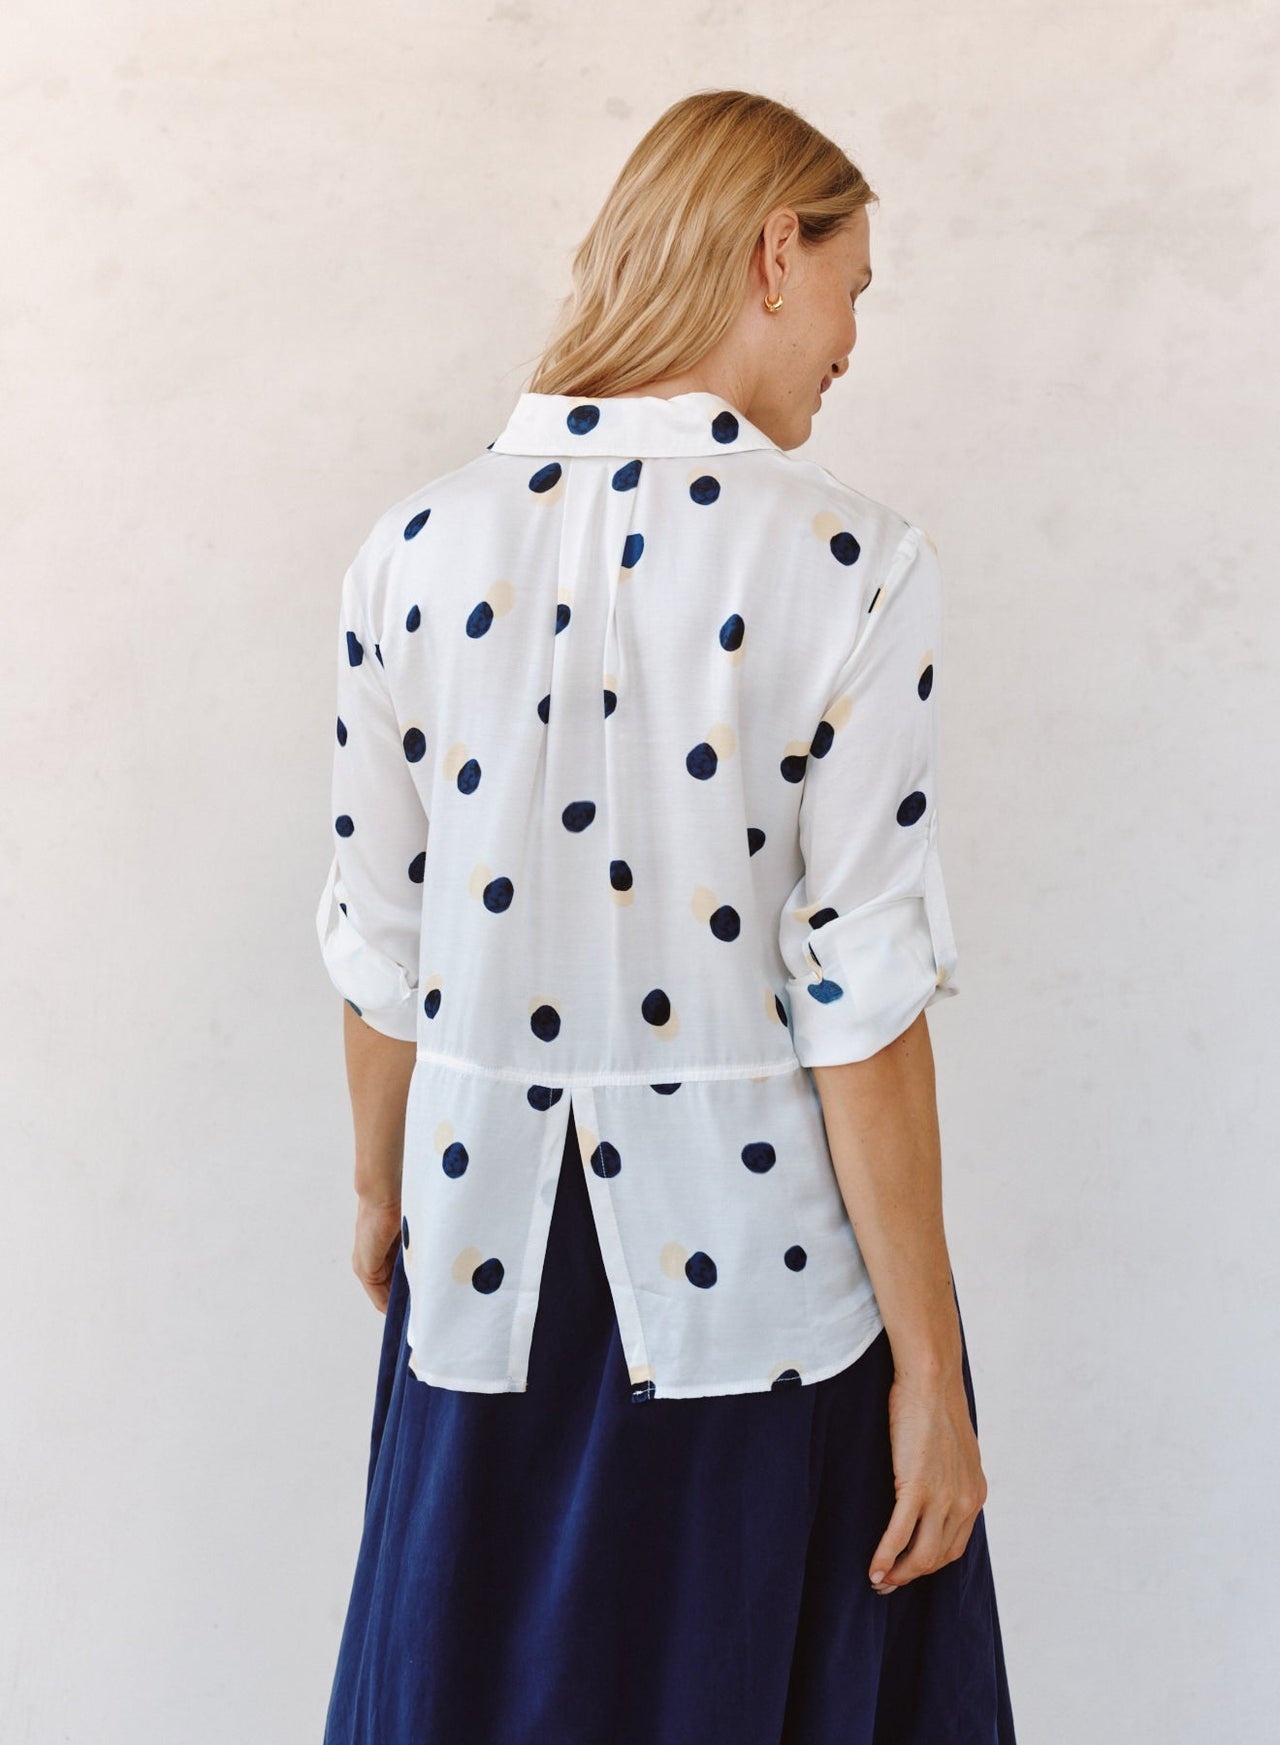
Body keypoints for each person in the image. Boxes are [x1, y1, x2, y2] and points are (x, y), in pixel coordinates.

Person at [315, 87, 1016, 1745]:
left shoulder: (410, 549)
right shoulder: (851, 564)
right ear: (775, 252)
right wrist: (932, 1369)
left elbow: (379, 947)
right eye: (852, 283)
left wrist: (381, 1189)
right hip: (764, 1300)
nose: (852, 339)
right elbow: (861, 1004)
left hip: (482, 1281)